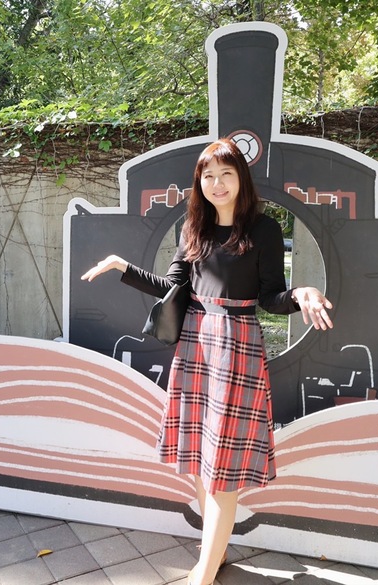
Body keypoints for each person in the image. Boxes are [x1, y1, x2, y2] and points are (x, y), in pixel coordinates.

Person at [81, 138, 333, 585]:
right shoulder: (193, 226)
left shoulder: (263, 229)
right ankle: (213, 552)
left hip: (237, 345)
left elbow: (272, 297)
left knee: (224, 466)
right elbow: (173, 287)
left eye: (226, 174)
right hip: (195, 343)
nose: (217, 184)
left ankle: (205, 570)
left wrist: (301, 293)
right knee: (200, 453)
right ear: (200, 182)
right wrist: (122, 266)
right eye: (208, 176)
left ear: (241, 178)